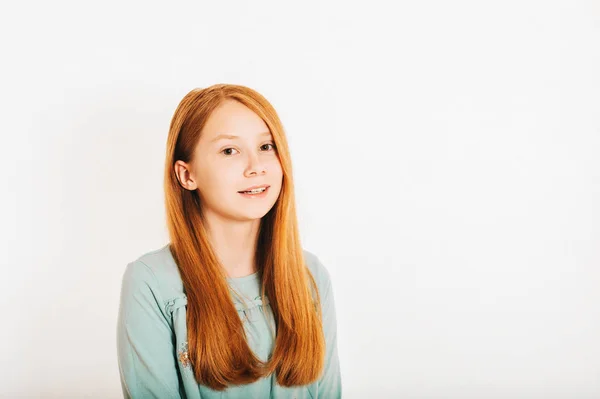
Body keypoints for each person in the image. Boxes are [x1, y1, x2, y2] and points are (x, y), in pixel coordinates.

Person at [116, 84, 342, 398]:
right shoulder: (151, 282)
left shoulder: (310, 274)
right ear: (187, 175)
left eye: (266, 146)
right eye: (229, 151)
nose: (256, 167)